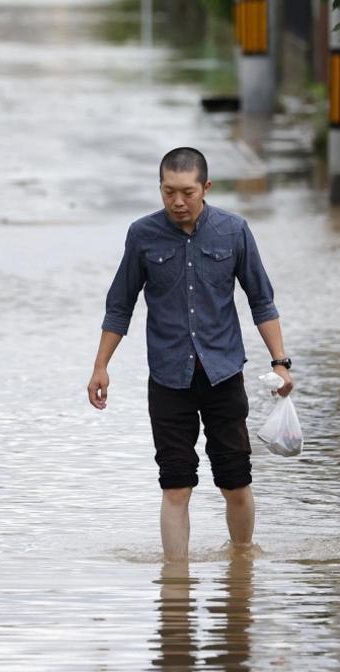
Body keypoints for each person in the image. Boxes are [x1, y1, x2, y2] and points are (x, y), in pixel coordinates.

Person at [88, 147, 293, 560]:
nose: (177, 202)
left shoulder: (233, 231)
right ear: (160, 189)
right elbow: (120, 305)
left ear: (206, 188)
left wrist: (280, 363)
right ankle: (175, 580)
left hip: (223, 374)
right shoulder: (142, 235)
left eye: (187, 192)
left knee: (234, 481)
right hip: (168, 378)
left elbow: (261, 301)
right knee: (175, 483)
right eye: (168, 192)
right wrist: (101, 366)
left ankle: (242, 561)